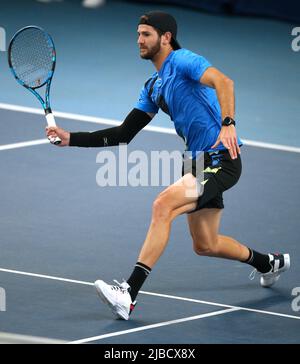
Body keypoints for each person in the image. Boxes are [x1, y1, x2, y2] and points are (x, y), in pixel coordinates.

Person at [46, 11, 290, 320]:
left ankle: (128, 294)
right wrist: (71, 138)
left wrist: (228, 123)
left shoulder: (184, 61)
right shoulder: (153, 87)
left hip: (221, 158)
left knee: (162, 205)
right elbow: (123, 134)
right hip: (196, 163)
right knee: (206, 244)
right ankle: (269, 262)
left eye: (146, 34)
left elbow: (223, 82)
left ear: (166, 37)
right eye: (137, 34)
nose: (139, 40)